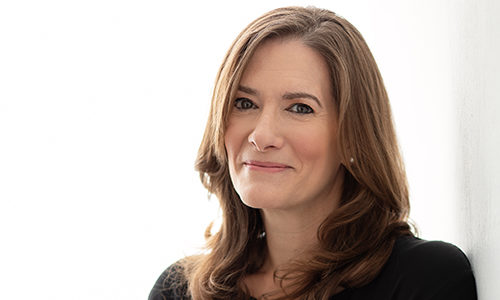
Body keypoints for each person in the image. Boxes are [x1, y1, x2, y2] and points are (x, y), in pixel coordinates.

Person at [149, 6, 477, 300]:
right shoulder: (177, 290)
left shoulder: (423, 279)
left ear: (353, 135)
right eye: (245, 103)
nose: (261, 136)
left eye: (299, 108)